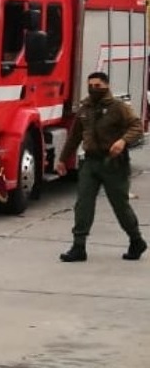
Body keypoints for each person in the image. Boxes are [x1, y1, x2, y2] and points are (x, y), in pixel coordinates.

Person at [56, 71, 147, 262]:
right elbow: (74, 136)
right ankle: (78, 246)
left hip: (113, 163)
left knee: (120, 205)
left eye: (98, 86)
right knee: (83, 204)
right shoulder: (85, 109)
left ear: (106, 85)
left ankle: (136, 240)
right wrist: (63, 159)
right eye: (90, 86)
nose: (93, 89)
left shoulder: (118, 107)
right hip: (91, 162)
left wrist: (123, 141)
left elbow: (137, 126)